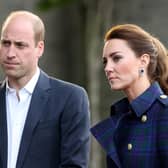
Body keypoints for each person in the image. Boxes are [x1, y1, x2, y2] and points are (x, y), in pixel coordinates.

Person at [0, 10, 90, 168]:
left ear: (39, 48)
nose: (10, 53)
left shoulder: (70, 98)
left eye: (20, 45)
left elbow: (74, 165)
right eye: (6, 43)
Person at [91, 24, 168, 168]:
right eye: (105, 61)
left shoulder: (164, 113)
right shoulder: (122, 117)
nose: (107, 68)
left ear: (143, 61)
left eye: (117, 58)